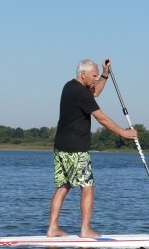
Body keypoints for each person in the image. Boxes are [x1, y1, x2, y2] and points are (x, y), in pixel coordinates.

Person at [47, 58, 138, 238]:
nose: (96, 79)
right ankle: (85, 229)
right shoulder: (80, 93)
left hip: (61, 146)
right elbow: (101, 117)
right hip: (76, 149)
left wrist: (105, 74)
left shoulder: (70, 87)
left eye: (97, 75)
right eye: (94, 75)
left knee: (63, 186)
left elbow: (95, 92)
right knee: (87, 186)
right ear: (83, 74)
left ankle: (52, 228)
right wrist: (123, 133)